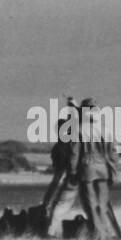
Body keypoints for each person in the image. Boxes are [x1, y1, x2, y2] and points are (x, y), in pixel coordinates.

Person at [75, 97, 119, 239]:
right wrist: (113, 171)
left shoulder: (79, 129)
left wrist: (71, 171)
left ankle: (97, 234)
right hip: (104, 169)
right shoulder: (106, 129)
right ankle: (105, 232)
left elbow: (74, 154)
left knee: (90, 204)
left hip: (86, 169)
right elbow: (113, 153)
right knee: (102, 203)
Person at [41, 98, 80, 231]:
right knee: (59, 205)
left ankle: (49, 228)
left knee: (54, 204)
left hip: (65, 178)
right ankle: (50, 230)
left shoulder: (58, 147)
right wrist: (73, 107)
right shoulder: (70, 142)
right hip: (74, 178)